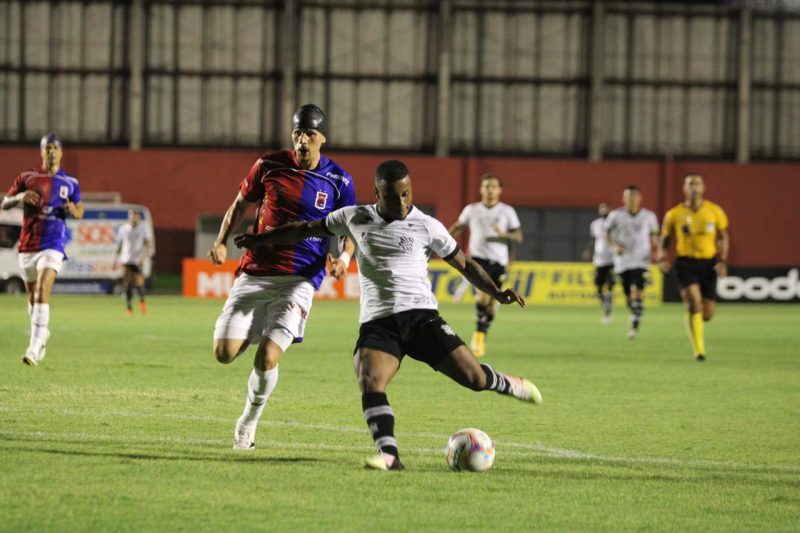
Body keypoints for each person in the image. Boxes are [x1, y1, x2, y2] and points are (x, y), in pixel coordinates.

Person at [235, 160, 541, 471]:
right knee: (370, 379)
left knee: (474, 379)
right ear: (376, 193)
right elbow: (304, 229)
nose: (402, 202)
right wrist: (260, 240)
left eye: (406, 194)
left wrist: (496, 291)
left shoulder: (427, 225)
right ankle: (389, 455)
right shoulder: (354, 216)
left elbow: (465, 264)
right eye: (393, 197)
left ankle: (505, 383)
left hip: (422, 318)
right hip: (379, 322)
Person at [207, 104, 357, 450]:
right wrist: (219, 242)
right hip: (256, 272)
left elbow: (350, 227)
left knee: (267, 358)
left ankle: (248, 422)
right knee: (223, 353)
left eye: (310, 135)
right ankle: (257, 330)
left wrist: (344, 258)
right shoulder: (269, 165)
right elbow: (239, 205)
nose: (302, 141)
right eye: (297, 134)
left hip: (300, 279)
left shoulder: (339, 181)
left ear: (323, 139)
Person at [1, 132, 84, 367]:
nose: (51, 152)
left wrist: (72, 210)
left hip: (53, 244)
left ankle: (34, 348)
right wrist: (19, 197)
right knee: (32, 297)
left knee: (42, 293)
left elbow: (79, 209)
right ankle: (42, 332)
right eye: (47, 148)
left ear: (61, 152)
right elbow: (4, 202)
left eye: (55, 148)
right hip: (28, 245)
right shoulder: (27, 177)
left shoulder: (70, 183)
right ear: (41, 151)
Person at [657, 174, 729, 362]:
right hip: (685, 263)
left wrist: (722, 260)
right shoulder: (674, 214)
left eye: (697, 183)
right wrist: (662, 256)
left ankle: (696, 324)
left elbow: (723, 236)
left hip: (708, 264)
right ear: (684, 188)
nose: (693, 187)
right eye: (690, 183)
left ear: (703, 187)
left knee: (707, 314)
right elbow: (665, 238)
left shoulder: (714, 211)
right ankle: (699, 351)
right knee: (694, 303)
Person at [449, 173, 522, 357]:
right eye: (486, 186)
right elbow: (459, 226)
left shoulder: (507, 211)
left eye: (493, 186)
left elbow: (518, 236)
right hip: (478, 260)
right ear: (481, 189)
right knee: (482, 297)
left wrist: (504, 234)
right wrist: (444, 237)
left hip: (499, 262)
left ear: (500, 190)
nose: (490, 190)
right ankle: (478, 338)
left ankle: (482, 333)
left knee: (492, 302)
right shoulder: (472, 210)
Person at [604, 186, 659, 339]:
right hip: (622, 261)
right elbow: (606, 233)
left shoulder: (649, 216)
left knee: (637, 291)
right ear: (624, 199)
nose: (631, 200)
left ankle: (634, 327)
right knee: (629, 295)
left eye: (634, 197)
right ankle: (634, 314)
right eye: (628, 197)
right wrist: (614, 245)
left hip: (642, 260)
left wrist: (657, 251)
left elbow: (655, 236)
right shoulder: (615, 215)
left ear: (640, 198)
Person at [113, 209, 153, 315]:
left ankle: (142, 302)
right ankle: (129, 308)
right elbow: (119, 245)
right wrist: (115, 260)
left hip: (137, 259)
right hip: (126, 259)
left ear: (139, 217)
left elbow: (148, 245)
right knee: (128, 283)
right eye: (133, 215)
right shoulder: (123, 229)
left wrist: (143, 258)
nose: (134, 217)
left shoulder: (143, 230)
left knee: (139, 283)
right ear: (129, 216)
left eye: (136, 215)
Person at [583, 202, 615, 324]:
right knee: (598, 287)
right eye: (601, 208)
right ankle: (605, 305)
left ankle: (608, 311)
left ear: (610, 209)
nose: (604, 210)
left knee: (611, 285)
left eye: (606, 208)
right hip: (599, 259)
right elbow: (594, 239)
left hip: (613, 259)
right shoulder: (595, 224)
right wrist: (588, 250)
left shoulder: (615, 223)